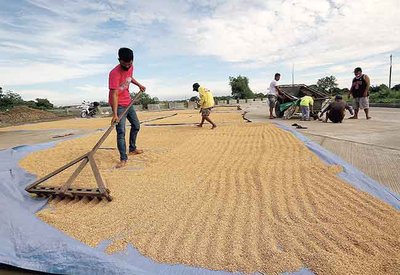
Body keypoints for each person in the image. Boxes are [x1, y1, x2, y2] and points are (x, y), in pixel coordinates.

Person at [109, 47, 146, 168]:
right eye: (125, 64)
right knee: (121, 132)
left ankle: (132, 148)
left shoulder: (130, 66)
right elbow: (114, 94)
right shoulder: (114, 73)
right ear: (119, 60)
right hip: (118, 104)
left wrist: (139, 85)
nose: (128, 66)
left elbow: (129, 78)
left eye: (130, 63)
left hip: (128, 102)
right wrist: (115, 114)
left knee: (136, 126)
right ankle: (123, 158)